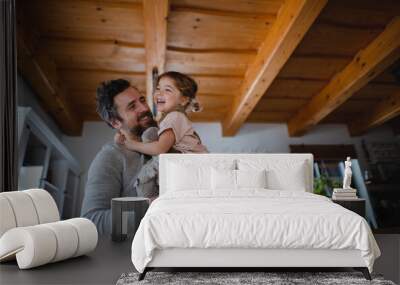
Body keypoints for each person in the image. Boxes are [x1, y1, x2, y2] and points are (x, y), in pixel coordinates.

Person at [80, 79, 161, 235]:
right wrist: (149, 208)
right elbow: (92, 221)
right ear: (116, 122)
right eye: (132, 107)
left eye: (142, 100)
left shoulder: (166, 143)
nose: (144, 108)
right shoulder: (110, 156)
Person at [115, 71, 208, 155]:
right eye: (158, 88)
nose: (159, 93)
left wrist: (131, 145)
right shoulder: (174, 118)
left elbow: (159, 148)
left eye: (167, 90)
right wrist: (121, 134)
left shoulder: (174, 117)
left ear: (183, 100)